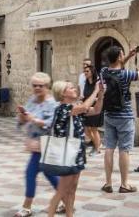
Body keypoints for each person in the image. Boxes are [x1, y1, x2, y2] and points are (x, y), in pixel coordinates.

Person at [45, 78, 104, 217]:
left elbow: (96, 110)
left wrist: (100, 95)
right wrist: (95, 90)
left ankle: (69, 214)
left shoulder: (74, 108)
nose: (74, 89)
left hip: (77, 152)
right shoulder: (63, 108)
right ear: (62, 93)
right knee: (62, 190)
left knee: (72, 189)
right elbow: (84, 107)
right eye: (70, 88)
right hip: (67, 153)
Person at [98, 44, 139, 194]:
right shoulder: (126, 75)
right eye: (122, 55)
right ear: (119, 57)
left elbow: (117, 65)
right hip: (125, 116)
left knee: (109, 148)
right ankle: (124, 184)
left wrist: (128, 55)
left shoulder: (103, 72)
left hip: (109, 115)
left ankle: (108, 183)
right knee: (124, 150)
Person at [14, 72, 59, 217]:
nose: (37, 88)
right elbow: (22, 121)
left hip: (47, 144)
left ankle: (27, 207)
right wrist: (22, 117)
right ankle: (66, 199)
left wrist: (33, 119)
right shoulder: (32, 100)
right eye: (35, 85)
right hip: (35, 145)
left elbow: (51, 124)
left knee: (30, 173)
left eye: (41, 86)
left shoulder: (52, 104)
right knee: (49, 174)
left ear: (47, 86)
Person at [77, 60, 102, 156]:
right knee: (87, 129)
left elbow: (101, 95)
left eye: (87, 71)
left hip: (95, 108)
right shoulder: (86, 82)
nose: (85, 73)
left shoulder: (97, 83)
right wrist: (81, 99)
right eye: (85, 71)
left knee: (94, 129)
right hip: (87, 107)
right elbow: (84, 94)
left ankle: (97, 148)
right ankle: (97, 144)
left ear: (92, 72)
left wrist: (95, 98)